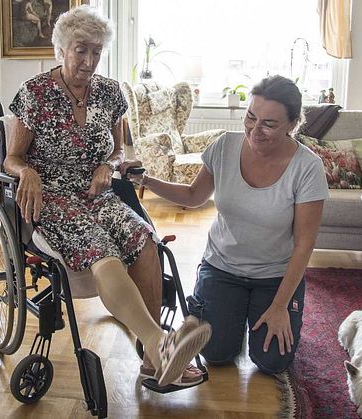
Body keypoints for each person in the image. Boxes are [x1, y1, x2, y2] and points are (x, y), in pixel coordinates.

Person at [5, 5, 211, 387]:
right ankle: (158, 345)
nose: (89, 60)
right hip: (53, 200)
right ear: (61, 50)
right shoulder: (34, 94)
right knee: (103, 249)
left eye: (97, 51)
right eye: (80, 50)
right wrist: (27, 171)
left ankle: (152, 362)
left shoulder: (110, 91)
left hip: (100, 194)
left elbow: (117, 150)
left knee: (145, 241)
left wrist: (109, 165)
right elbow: (12, 157)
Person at [121, 75, 329, 374]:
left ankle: (252, 317)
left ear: (292, 124)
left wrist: (281, 305)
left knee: (272, 362)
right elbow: (194, 196)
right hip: (222, 268)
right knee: (216, 355)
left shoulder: (307, 167)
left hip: (274, 276)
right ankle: (226, 321)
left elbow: (304, 244)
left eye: (269, 124)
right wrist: (145, 180)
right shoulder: (225, 146)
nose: (255, 131)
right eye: (251, 117)